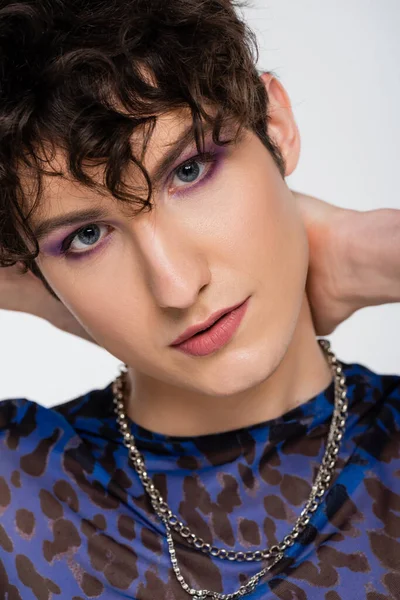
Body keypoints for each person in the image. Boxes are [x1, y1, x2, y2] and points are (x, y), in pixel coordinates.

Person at [0, 1, 399, 599]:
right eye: (85, 237)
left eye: (188, 171)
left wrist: (375, 252)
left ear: (276, 129)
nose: (177, 287)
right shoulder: (20, 486)